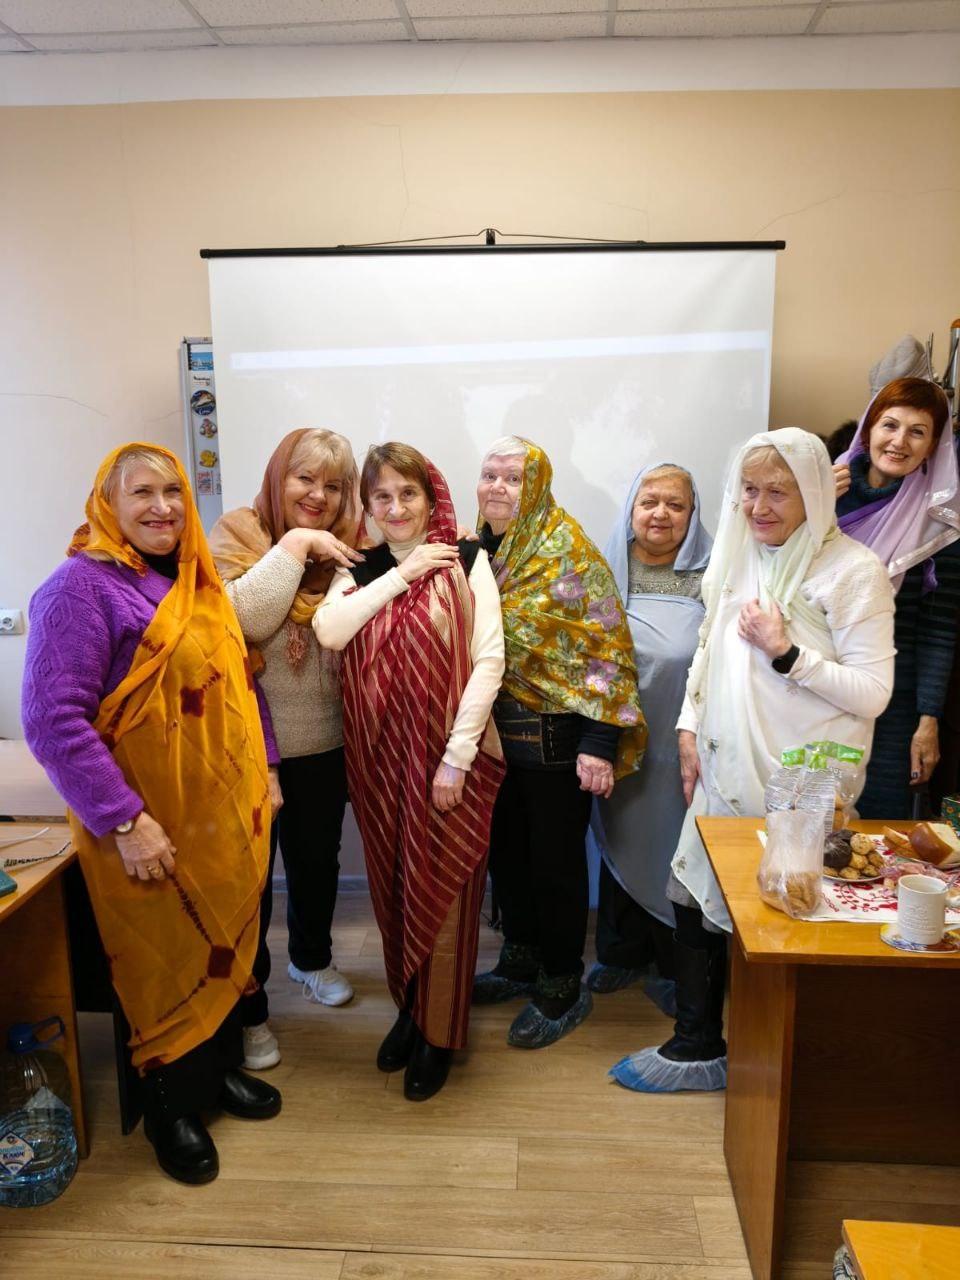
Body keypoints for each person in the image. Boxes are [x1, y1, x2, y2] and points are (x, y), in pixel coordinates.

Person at [22, 443, 282, 1184]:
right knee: (163, 962)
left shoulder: (196, 577)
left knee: (222, 947)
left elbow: (243, 677)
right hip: (145, 827)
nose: (163, 507)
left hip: (224, 820)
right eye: (141, 493)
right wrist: (126, 822)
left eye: (173, 491)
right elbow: (52, 721)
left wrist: (266, 767)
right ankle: (172, 1110)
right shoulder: (80, 588)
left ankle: (217, 1076)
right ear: (108, 503)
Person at [611, 428, 895, 1093]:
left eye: (779, 492)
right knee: (691, 893)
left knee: (782, 914)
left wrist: (786, 651)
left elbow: (873, 692)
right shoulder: (740, 555)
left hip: (799, 782)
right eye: (749, 490)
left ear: (814, 493)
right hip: (723, 763)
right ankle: (699, 1043)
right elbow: (709, 650)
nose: (759, 506)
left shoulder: (854, 572)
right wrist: (688, 728)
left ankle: (779, 1069)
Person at [312, 443, 505, 1101]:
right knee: (395, 889)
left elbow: (489, 660)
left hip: (448, 762)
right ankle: (410, 1009)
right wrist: (401, 574)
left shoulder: (466, 559)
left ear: (431, 496)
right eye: (382, 497)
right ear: (368, 506)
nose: (396, 509)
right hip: (378, 764)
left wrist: (457, 758)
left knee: (445, 893)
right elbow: (331, 631)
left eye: (408, 494)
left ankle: (439, 1034)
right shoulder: (362, 566)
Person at [471, 437, 646, 1049]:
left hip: (558, 741)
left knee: (555, 866)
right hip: (492, 740)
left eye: (513, 478)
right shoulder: (479, 550)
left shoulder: (568, 550)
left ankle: (562, 981)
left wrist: (599, 743)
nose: (497, 487)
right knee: (507, 856)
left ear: (538, 486)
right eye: (489, 474)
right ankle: (519, 960)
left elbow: (606, 649)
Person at [210, 429, 365, 1071]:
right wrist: (297, 545)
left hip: (327, 743)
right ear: (279, 477)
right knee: (251, 882)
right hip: (252, 749)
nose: (319, 495)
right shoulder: (237, 533)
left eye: (334, 485)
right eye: (305, 479)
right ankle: (251, 1010)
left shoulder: (354, 543)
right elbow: (245, 618)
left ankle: (311, 960)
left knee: (316, 863)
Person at [588, 463, 712, 1008]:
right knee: (621, 831)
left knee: (676, 844)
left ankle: (675, 964)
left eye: (675, 505)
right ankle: (620, 953)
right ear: (631, 509)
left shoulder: (715, 574)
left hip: (684, 739)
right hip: (616, 737)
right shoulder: (603, 568)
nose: (660, 514)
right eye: (649, 502)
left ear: (693, 514)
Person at [834, 378, 960, 818]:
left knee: (875, 827)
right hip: (813, 685)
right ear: (869, 426)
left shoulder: (939, 521)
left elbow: (938, 630)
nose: (899, 442)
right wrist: (811, 509)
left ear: (934, 446)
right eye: (890, 425)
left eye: (917, 432)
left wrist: (928, 719)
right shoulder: (822, 494)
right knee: (808, 817)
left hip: (893, 701)